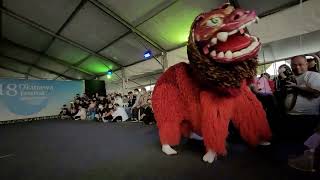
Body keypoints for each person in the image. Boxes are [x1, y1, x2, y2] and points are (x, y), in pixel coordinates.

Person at [282, 56, 320, 141]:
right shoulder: (291, 78)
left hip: (307, 118)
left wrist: (297, 87)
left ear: (306, 64)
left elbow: (316, 93)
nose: (297, 67)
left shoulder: (313, 75)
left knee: (307, 145)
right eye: (294, 65)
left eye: (300, 64)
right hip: (291, 117)